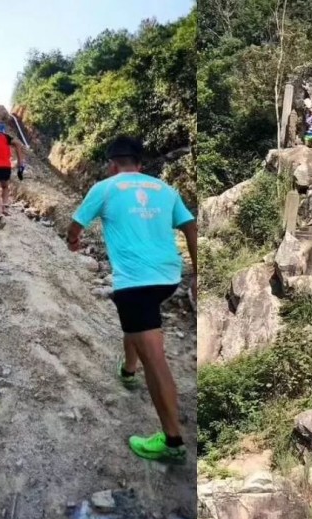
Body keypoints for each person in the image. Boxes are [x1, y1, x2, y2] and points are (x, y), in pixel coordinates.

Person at [66, 135, 197, 465]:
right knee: (135, 323)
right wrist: (198, 270)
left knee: (154, 355)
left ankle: (172, 441)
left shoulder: (105, 188)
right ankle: (128, 368)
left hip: (135, 283)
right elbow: (191, 226)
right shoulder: (165, 189)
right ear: (140, 164)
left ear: (112, 165)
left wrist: (73, 242)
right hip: (168, 278)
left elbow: (75, 226)